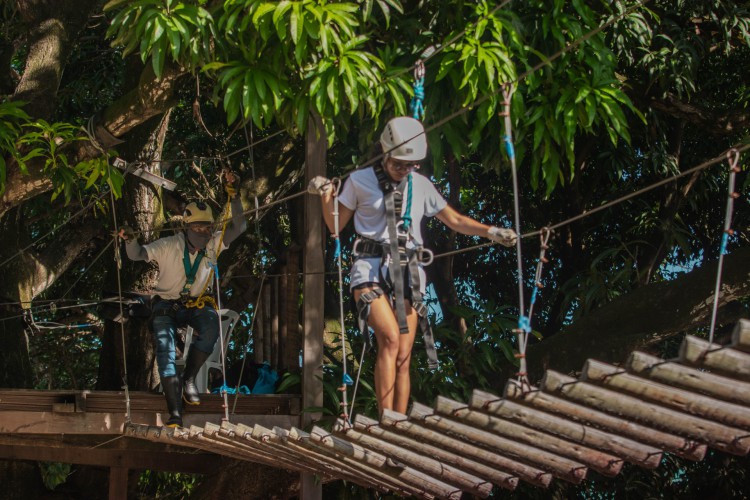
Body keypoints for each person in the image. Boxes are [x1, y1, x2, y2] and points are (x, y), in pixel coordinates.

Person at [308, 116, 517, 415]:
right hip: (369, 269)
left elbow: (455, 220)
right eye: (399, 165)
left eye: (412, 165)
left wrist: (491, 232)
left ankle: (398, 422)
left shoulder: (420, 185)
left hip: (409, 272)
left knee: (404, 355)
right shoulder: (360, 180)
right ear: (384, 153)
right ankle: (385, 420)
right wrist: (327, 196)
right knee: (390, 339)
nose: (405, 170)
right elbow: (335, 224)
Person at [118, 172, 246, 427]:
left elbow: (239, 226)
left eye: (207, 227)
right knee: (164, 352)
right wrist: (130, 240)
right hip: (167, 304)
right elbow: (138, 255)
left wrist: (234, 195)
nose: (203, 231)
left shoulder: (213, 243)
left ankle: (189, 379)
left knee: (210, 330)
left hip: (197, 305)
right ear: (186, 227)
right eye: (197, 227)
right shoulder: (168, 244)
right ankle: (175, 413)